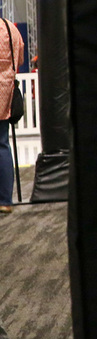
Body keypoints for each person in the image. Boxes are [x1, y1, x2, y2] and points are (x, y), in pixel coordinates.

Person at [0, 17, 22, 214]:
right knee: (2, 144)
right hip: (5, 92)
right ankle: (6, 200)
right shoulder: (10, 28)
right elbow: (20, 59)